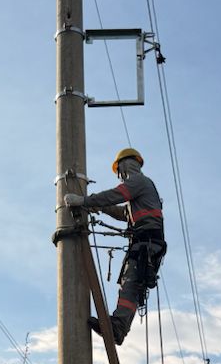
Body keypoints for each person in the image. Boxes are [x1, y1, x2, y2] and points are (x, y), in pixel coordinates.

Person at [64, 147, 167, 344]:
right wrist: (100, 207)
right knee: (130, 284)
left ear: (124, 166)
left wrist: (84, 201)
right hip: (147, 242)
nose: (119, 176)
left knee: (130, 283)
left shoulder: (138, 182)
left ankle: (118, 326)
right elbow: (124, 213)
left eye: (118, 171)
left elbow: (116, 195)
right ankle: (119, 327)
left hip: (147, 242)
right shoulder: (143, 188)